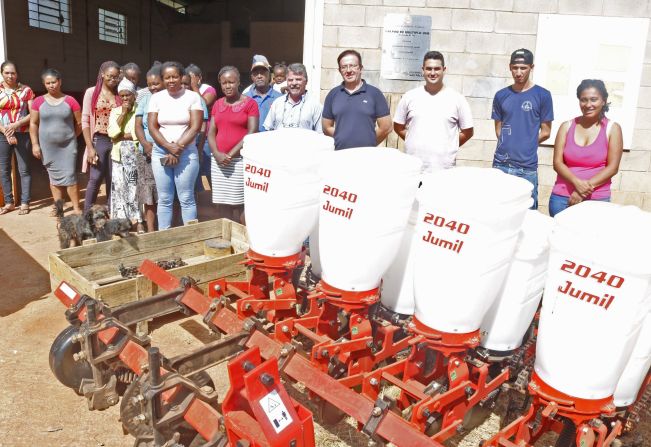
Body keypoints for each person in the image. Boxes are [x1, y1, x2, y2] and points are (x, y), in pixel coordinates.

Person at [549, 80, 623, 217]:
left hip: (596, 201)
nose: (588, 105)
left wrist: (582, 190)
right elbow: (557, 163)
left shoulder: (613, 129)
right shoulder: (566, 126)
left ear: (603, 101)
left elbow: (613, 167)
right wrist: (577, 183)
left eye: (594, 99)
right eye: (583, 100)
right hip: (562, 198)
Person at [492, 48, 553, 209]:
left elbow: (546, 131)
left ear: (531, 68)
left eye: (523, 68)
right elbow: (499, 129)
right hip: (501, 166)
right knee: (498, 210)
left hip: (526, 168)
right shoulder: (501, 95)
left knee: (528, 213)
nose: (518, 72)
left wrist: (528, 142)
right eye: (515, 67)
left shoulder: (543, 95)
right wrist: (510, 142)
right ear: (510, 67)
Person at [393, 51, 474, 173]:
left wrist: (448, 146)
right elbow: (398, 127)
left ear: (444, 70)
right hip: (414, 167)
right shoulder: (409, 97)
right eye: (429, 69)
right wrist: (413, 140)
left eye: (437, 69)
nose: (432, 73)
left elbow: (468, 132)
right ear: (423, 70)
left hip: (444, 169)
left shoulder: (457, 99)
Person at [147, 61, 203, 229]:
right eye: (167, 78)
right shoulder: (156, 98)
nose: (171, 81)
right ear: (162, 79)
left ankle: (190, 236)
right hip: (160, 153)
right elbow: (152, 126)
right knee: (164, 198)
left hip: (186, 153)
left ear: (182, 77)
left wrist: (177, 148)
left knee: (186, 197)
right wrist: (167, 146)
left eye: (175, 77)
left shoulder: (193, 97)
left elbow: (195, 127)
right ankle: (164, 236)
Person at [208, 66, 258, 223]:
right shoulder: (217, 104)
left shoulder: (250, 104)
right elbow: (211, 133)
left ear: (238, 83)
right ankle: (226, 240)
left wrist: (229, 155)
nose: (227, 86)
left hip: (239, 161)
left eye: (231, 82)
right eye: (224, 83)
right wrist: (216, 153)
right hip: (218, 162)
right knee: (222, 203)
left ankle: (243, 239)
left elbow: (252, 132)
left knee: (239, 203)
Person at [29, 68, 83, 216]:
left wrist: (71, 138)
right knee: (54, 178)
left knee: (70, 176)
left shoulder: (71, 101)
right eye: (48, 83)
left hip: (68, 147)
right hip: (48, 148)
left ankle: (76, 207)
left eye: (54, 82)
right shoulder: (38, 102)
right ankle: (58, 208)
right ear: (44, 84)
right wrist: (35, 144)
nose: (51, 85)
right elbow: (33, 124)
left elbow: (80, 123)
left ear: (60, 82)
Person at [322, 49, 391, 150]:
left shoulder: (374, 93)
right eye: (344, 67)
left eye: (353, 66)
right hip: (340, 154)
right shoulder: (333, 94)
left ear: (361, 68)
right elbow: (326, 127)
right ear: (339, 70)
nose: (349, 70)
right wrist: (341, 139)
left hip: (367, 155)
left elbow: (386, 127)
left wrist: (369, 142)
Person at [82, 61, 121, 212]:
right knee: (95, 178)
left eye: (116, 77)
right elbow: (85, 121)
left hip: (116, 141)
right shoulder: (92, 93)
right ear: (102, 74)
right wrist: (90, 147)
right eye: (110, 76)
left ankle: (111, 211)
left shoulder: (119, 94)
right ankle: (87, 215)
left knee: (113, 179)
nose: (113, 80)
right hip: (100, 140)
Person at [0, 61, 34, 215]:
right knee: (4, 169)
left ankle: (25, 202)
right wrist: (6, 130)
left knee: (24, 169)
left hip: (22, 133)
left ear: (17, 74)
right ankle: (9, 202)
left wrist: (16, 125)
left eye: (13, 73)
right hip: (2, 133)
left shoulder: (26, 90)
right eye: (7, 72)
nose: (10, 75)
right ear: (2, 73)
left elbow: (33, 113)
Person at [133, 62, 163, 233]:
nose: (153, 87)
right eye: (150, 84)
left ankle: (167, 228)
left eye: (156, 83)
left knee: (166, 193)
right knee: (149, 194)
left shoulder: (172, 99)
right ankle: (151, 230)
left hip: (167, 152)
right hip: (147, 154)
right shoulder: (145, 99)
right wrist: (146, 145)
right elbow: (138, 126)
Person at [108, 78, 141, 228]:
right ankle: (122, 223)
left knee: (135, 188)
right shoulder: (115, 111)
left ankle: (138, 220)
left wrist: (122, 136)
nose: (125, 98)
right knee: (120, 188)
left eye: (128, 95)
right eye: (122, 96)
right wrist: (123, 114)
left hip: (135, 155)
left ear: (134, 95)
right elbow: (112, 133)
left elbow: (137, 134)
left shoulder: (140, 110)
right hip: (118, 156)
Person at [263, 63, 322, 132]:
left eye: (298, 79)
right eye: (290, 80)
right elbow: (268, 129)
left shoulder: (315, 105)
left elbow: (320, 134)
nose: (294, 83)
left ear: (306, 81)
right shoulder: (277, 103)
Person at [244, 55, 281, 132]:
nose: (259, 76)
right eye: (256, 73)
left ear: (269, 75)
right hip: (250, 141)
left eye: (263, 72)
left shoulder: (280, 98)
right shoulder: (244, 98)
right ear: (252, 77)